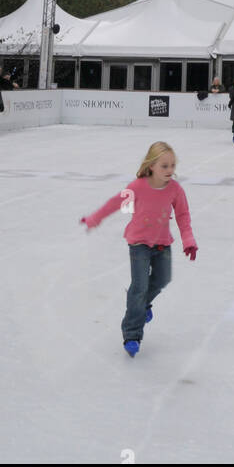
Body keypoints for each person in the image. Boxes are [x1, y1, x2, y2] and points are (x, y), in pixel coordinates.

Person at [80, 141, 197, 357]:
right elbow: (115, 203)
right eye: (164, 166)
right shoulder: (138, 187)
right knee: (140, 286)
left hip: (162, 242)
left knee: (162, 279)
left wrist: (188, 239)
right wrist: (94, 219)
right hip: (139, 243)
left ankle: (141, 305)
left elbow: (183, 215)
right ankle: (132, 333)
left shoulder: (175, 189)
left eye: (172, 165)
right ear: (151, 165)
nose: (170, 170)